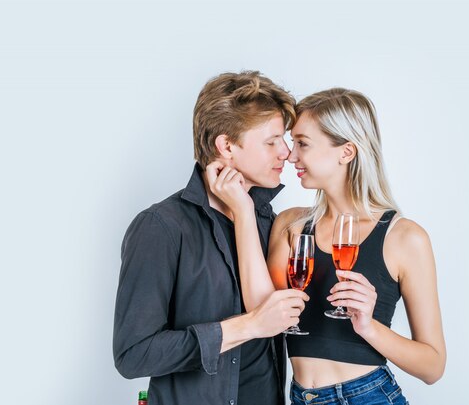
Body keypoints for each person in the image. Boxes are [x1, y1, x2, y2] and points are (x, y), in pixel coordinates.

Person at [207, 87, 446, 404]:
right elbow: (261, 310)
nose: (290, 155)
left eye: (302, 144)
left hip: (369, 395)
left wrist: (369, 327)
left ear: (346, 152)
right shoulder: (291, 225)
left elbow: (433, 366)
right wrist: (243, 211)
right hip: (300, 397)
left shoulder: (405, 238)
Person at [113, 71, 309, 405]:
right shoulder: (161, 227)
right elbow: (133, 355)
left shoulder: (269, 223)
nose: (286, 153)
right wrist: (247, 326)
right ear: (226, 146)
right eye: (272, 141)